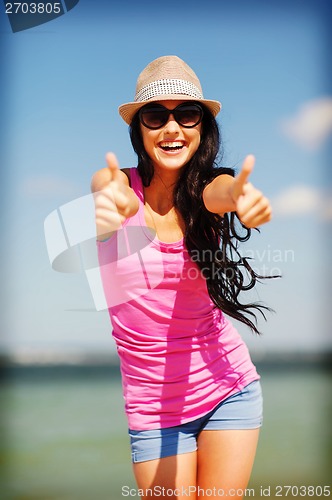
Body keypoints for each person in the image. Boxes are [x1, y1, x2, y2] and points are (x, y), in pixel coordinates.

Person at [91, 55, 272, 499]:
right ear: (140, 130)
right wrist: (112, 207)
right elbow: (110, 192)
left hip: (228, 387)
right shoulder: (116, 187)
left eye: (186, 114)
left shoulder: (208, 190)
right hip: (153, 407)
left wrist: (241, 195)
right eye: (156, 116)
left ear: (202, 128)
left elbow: (222, 192)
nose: (171, 128)